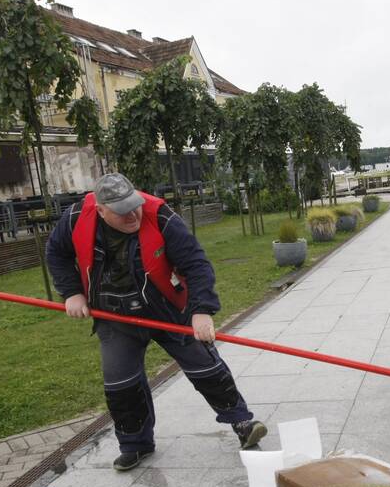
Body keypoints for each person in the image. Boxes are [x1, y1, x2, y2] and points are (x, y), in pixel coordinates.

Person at [46, 173, 267, 471]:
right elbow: (56, 254)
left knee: (205, 366)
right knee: (120, 384)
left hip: (166, 307)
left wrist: (201, 310)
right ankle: (135, 444)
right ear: (100, 210)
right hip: (114, 314)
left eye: (134, 205)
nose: (133, 215)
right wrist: (72, 293)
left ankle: (241, 422)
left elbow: (195, 262)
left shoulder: (160, 216)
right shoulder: (75, 217)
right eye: (122, 211)